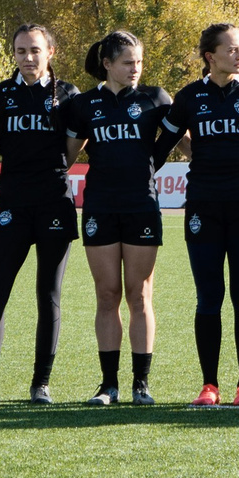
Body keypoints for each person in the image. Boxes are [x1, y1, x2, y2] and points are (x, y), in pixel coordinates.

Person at [154, 22, 239, 406]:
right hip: (203, 208)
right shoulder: (190, 96)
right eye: (232, 49)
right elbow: (160, 149)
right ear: (211, 56)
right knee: (208, 297)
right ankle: (209, 385)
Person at [0, 24, 79, 406]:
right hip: (12, 206)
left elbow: (73, 147)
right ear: (13, 54)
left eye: (35, 50)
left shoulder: (68, 95)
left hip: (54, 205)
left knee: (48, 295)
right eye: (20, 51)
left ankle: (41, 384)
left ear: (50, 51)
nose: (28, 58)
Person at [64, 31, 171, 406]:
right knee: (107, 294)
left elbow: (190, 142)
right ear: (107, 64)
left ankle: (141, 384)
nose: (135, 69)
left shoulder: (155, 98)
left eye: (139, 62)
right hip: (100, 206)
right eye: (127, 62)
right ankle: (108, 384)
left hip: (142, 205)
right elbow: (66, 157)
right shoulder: (84, 104)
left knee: (139, 295)